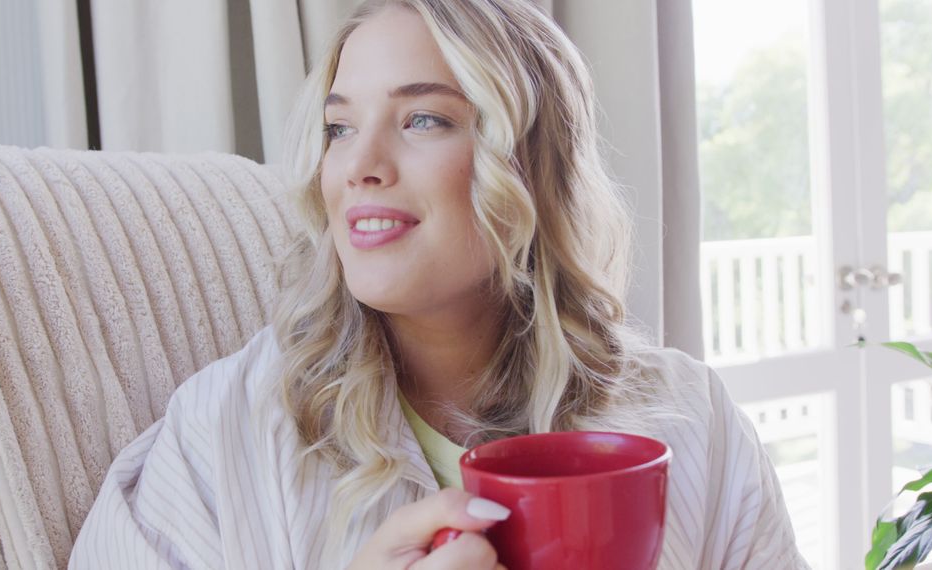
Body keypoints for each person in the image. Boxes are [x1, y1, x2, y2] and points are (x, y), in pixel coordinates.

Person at [70, 0, 809, 568]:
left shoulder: (694, 422)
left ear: (528, 166)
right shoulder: (222, 431)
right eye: (338, 128)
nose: (360, 164)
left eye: (423, 120)